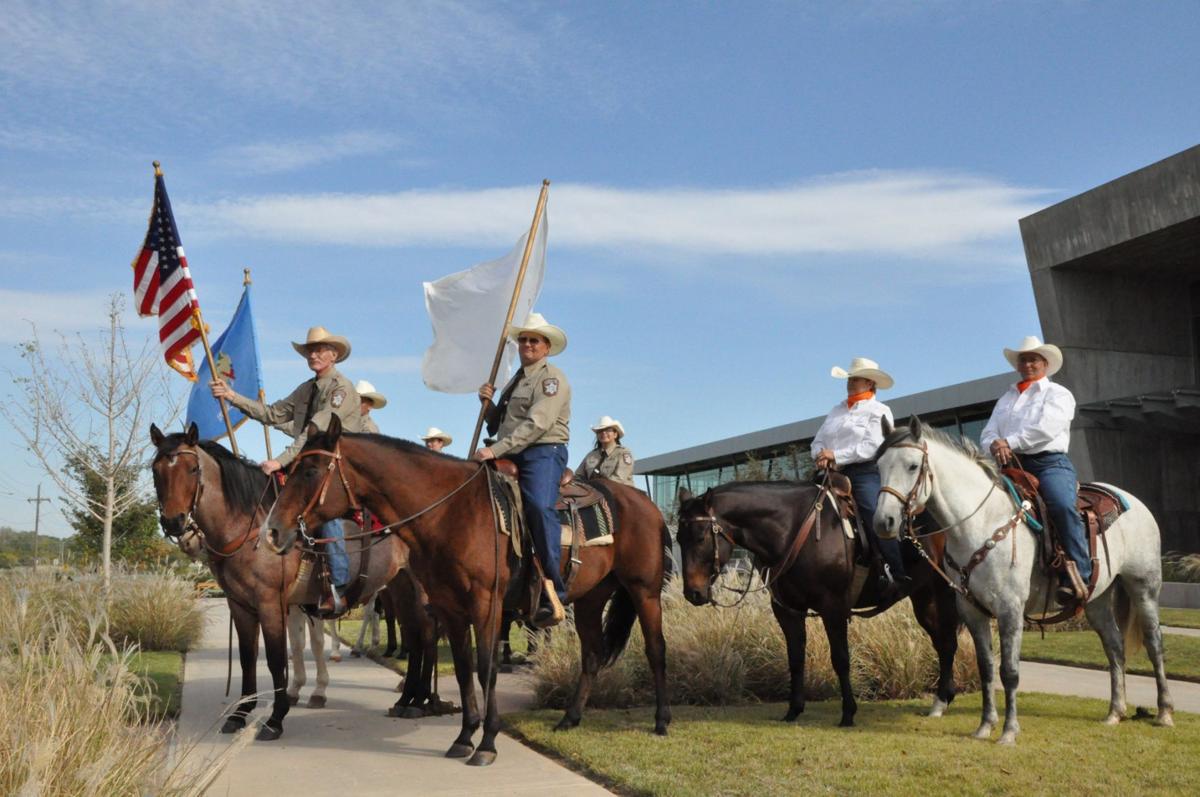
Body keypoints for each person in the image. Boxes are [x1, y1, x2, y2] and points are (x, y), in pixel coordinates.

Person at [211, 326, 361, 614]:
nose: (313, 355)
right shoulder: (306, 389)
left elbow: (313, 431)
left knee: (323, 508)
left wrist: (280, 460)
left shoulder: (341, 389)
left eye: (319, 350)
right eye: (309, 351)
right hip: (312, 463)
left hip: (340, 465)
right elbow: (273, 414)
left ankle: (338, 586)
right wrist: (231, 396)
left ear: (333, 355)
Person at [473, 312, 571, 627]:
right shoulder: (515, 381)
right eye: (524, 339)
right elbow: (500, 424)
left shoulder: (551, 378)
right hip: (511, 450)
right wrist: (488, 406)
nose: (527, 344)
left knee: (540, 507)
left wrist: (495, 449)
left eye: (534, 340)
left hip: (543, 451)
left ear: (546, 347)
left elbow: (537, 423)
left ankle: (553, 586)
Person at [981, 336, 1087, 604]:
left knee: (1062, 506)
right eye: (1023, 359)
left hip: (1049, 463)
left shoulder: (1058, 394)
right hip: (1009, 465)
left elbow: (1046, 428)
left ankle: (1079, 574)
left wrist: (1009, 442)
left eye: (1033, 359)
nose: (1027, 364)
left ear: (1045, 364)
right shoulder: (1006, 398)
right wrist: (993, 445)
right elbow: (989, 431)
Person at [811, 357, 908, 598]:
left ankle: (894, 570)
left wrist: (835, 455)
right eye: (849, 379)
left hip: (865, 472)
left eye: (855, 379)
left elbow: (873, 446)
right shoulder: (836, 410)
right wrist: (821, 455)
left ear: (870, 383)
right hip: (830, 473)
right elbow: (818, 441)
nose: (850, 382)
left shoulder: (880, 410)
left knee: (874, 514)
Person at [577, 415, 635, 485]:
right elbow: (578, 476)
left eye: (608, 430)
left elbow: (619, 479)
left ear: (615, 434)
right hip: (594, 493)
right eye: (600, 431)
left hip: (618, 493)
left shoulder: (624, 453)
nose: (603, 433)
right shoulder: (591, 455)